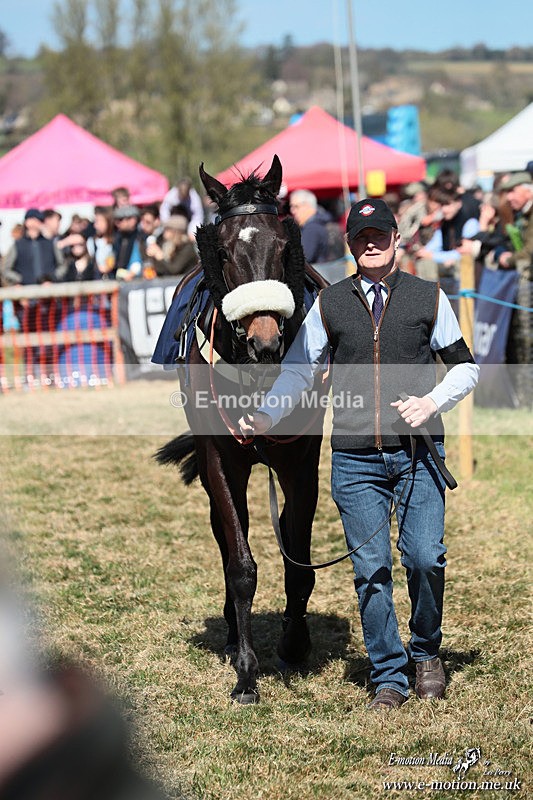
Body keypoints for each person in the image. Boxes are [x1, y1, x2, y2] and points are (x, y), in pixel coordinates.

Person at [239, 197, 479, 711]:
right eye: (361, 237)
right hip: (354, 460)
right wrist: (265, 416)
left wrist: (432, 401)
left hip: (418, 454)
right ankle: (388, 676)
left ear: (397, 238)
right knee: (370, 570)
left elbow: (466, 367)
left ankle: (426, 652)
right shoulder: (329, 304)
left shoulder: (429, 297)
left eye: (380, 234)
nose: (371, 243)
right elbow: (298, 370)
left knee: (423, 558)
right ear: (350, 246)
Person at [1, 208, 64, 286]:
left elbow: (62, 265)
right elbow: (6, 270)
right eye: (35, 219)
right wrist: (19, 279)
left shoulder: (50, 243)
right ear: (27, 222)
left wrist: (52, 278)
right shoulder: (18, 245)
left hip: (48, 293)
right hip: (26, 293)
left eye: (40, 220)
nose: (38, 222)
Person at [289, 189, 330, 263]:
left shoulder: (312, 228)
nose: (292, 211)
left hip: (318, 271)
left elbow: (303, 258)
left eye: (296, 206)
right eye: (291, 207)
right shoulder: (319, 223)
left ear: (308, 206)